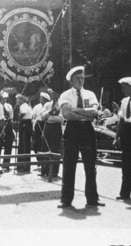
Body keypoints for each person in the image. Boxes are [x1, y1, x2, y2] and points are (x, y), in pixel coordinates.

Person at [58, 66, 104, 208]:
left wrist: (77, 109)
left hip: (87, 131)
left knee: (90, 166)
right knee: (69, 165)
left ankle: (92, 199)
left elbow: (94, 113)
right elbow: (67, 114)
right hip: (72, 130)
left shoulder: (90, 94)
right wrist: (85, 113)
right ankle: (66, 200)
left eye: (82, 78)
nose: (80, 81)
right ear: (71, 80)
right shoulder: (65, 95)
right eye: (77, 79)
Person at [40, 89, 63, 177]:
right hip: (47, 127)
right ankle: (44, 170)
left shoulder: (61, 105)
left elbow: (61, 118)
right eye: (51, 93)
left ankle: (54, 171)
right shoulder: (47, 105)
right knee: (44, 147)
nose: (53, 95)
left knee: (55, 149)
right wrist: (50, 113)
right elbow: (42, 116)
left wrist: (50, 117)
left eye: (54, 93)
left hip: (56, 128)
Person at [16, 94, 33, 173]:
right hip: (26, 124)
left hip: (25, 124)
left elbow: (23, 113)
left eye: (18, 99)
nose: (17, 101)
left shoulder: (23, 106)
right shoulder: (25, 105)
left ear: (22, 100)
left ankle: (24, 165)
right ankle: (23, 164)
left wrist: (19, 117)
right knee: (24, 145)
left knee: (24, 145)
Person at [32, 92, 50, 158]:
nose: (41, 100)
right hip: (38, 124)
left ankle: (44, 158)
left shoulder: (48, 106)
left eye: (42, 99)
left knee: (44, 142)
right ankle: (38, 158)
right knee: (36, 143)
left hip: (46, 124)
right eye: (40, 98)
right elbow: (33, 117)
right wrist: (34, 127)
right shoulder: (37, 107)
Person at [0, 92, 14, 171]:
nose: (4, 100)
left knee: (9, 145)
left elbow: (11, 117)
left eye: (5, 98)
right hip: (1, 125)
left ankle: (6, 164)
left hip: (8, 125)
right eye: (3, 98)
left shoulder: (9, 106)